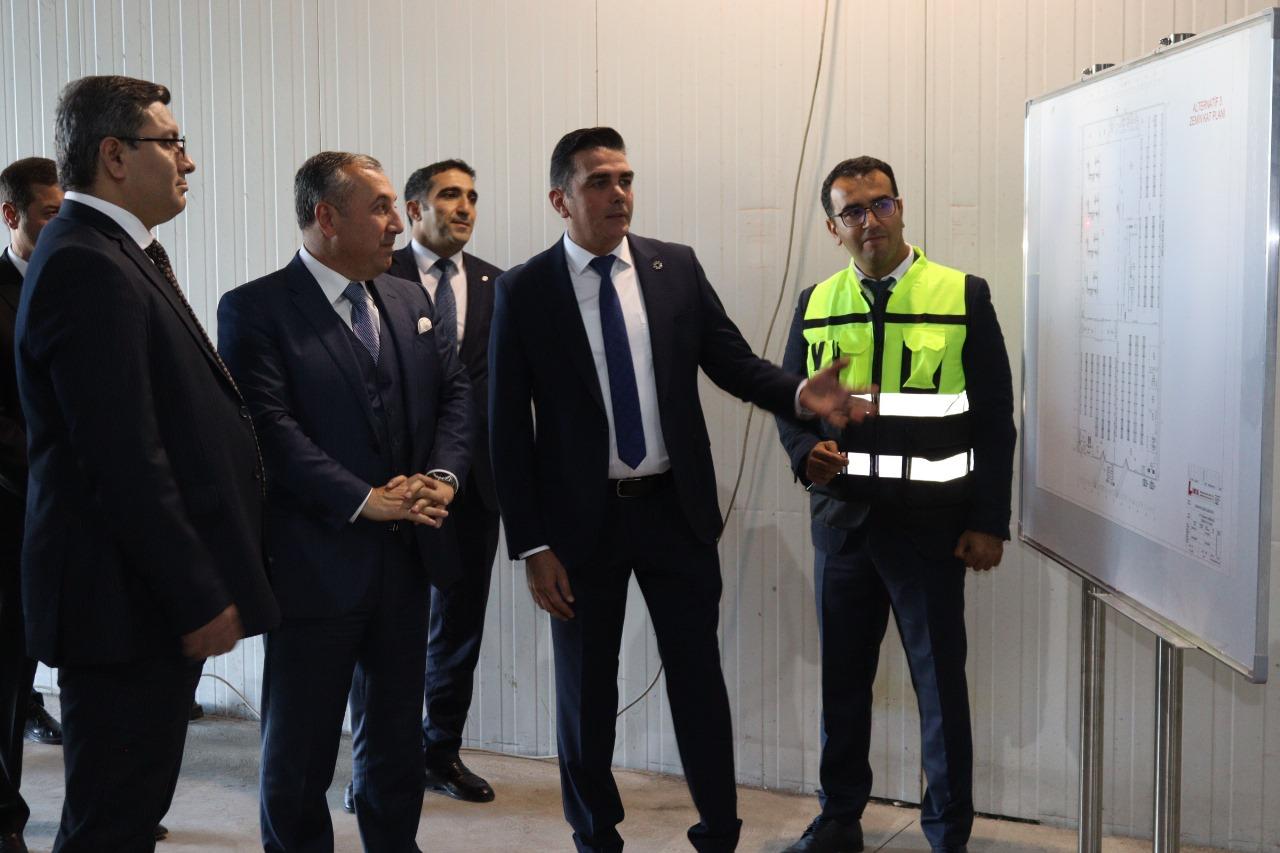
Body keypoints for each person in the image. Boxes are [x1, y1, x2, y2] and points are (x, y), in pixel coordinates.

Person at [488, 126, 872, 853]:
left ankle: (719, 831)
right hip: (579, 527)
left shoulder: (674, 268)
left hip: (675, 510)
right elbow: (505, 429)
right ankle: (596, 835)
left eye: (626, 179)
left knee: (698, 679)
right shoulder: (525, 290)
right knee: (586, 692)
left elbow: (732, 362)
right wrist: (532, 544)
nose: (619, 194)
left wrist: (799, 394)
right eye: (599, 182)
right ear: (560, 200)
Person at [14, 74, 279, 852]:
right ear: (115, 156)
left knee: (124, 815)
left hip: (136, 600)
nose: (187, 161)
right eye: (173, 143)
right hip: (122, 605)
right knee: (109, 824)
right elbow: (122, 456)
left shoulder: (115, 252)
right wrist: (196, 592)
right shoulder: (87, 263)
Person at [218, 151, 471, 852]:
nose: (398, 224)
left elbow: (455, 393)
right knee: (299, 751)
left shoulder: (409, 299)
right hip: (313, 567)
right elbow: (268, 430)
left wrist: (442, 477)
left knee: (395, 743)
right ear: (326, 217)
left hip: (407, 561)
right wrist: (363, 499)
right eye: (382, 208)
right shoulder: (255, 309)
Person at [774, 156, 1016, 853]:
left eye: (880, 204)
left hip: (931, 530)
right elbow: (791, 402)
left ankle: (947, 833)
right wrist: (805, 454)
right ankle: (839, 818)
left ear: (901, 208)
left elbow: (994, 419)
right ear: (833, 227)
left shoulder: (962, 294)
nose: (869, 220)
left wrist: (988, 521)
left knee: (939, 688)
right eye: (852, 210)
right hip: (842, 526)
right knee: (843, 686)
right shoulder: (816, 301)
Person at [342, 159, 501, 813]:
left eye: (472, 197)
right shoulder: (377, 272)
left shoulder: (498, 283)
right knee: (381, 633)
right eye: (449, 195)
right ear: (413, 210)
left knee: (459, 627)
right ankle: (373, 765)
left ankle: (440, 752)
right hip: (395, 484)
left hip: (473, 484)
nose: (464, 208)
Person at [0, 156, 62, 853]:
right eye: (49, 214)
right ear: (12, 215)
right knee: (9, 679)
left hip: (85, 513)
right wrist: (56, 455)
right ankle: (5, 819)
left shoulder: (83, 285)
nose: (62, 225)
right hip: (15, 509)